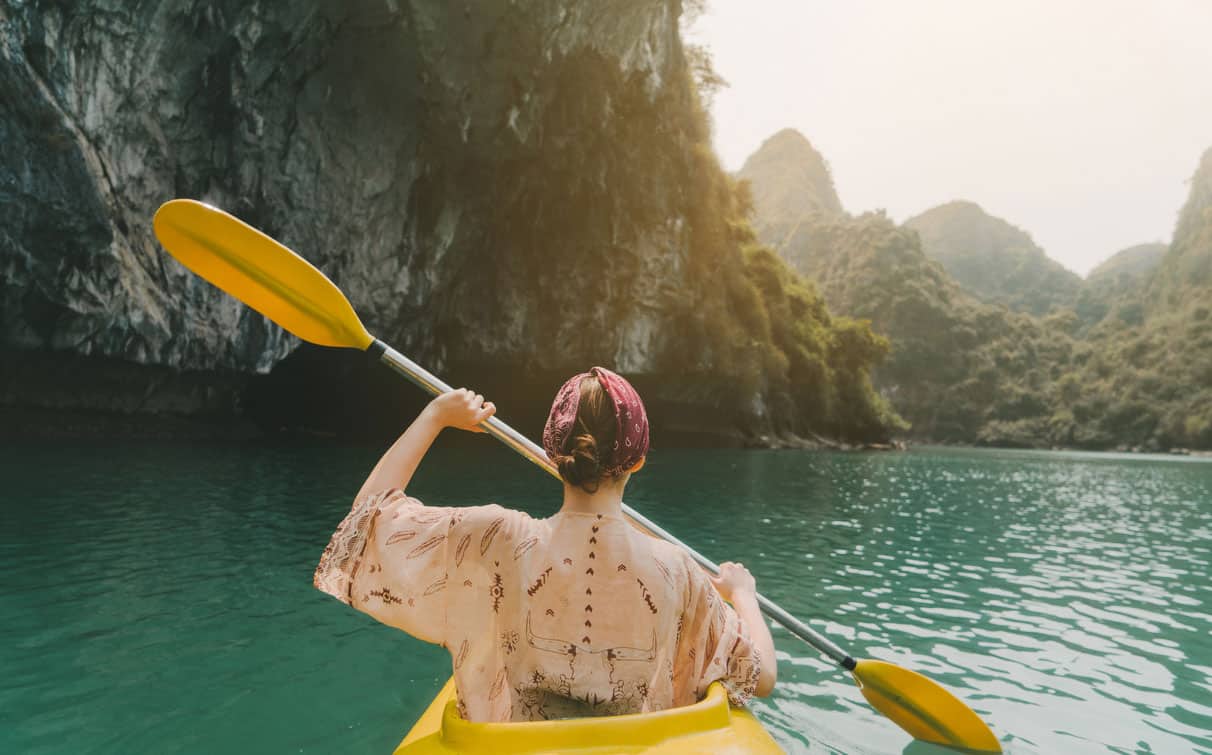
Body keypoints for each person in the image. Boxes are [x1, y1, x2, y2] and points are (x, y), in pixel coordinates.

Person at [314, 367, 777, 722]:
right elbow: (760, 676)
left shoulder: (495, 537)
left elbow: (366, 523)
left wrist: (434, 416)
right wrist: (743, 595)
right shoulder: (678, 569)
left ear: (552, 454)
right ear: (637, 461)